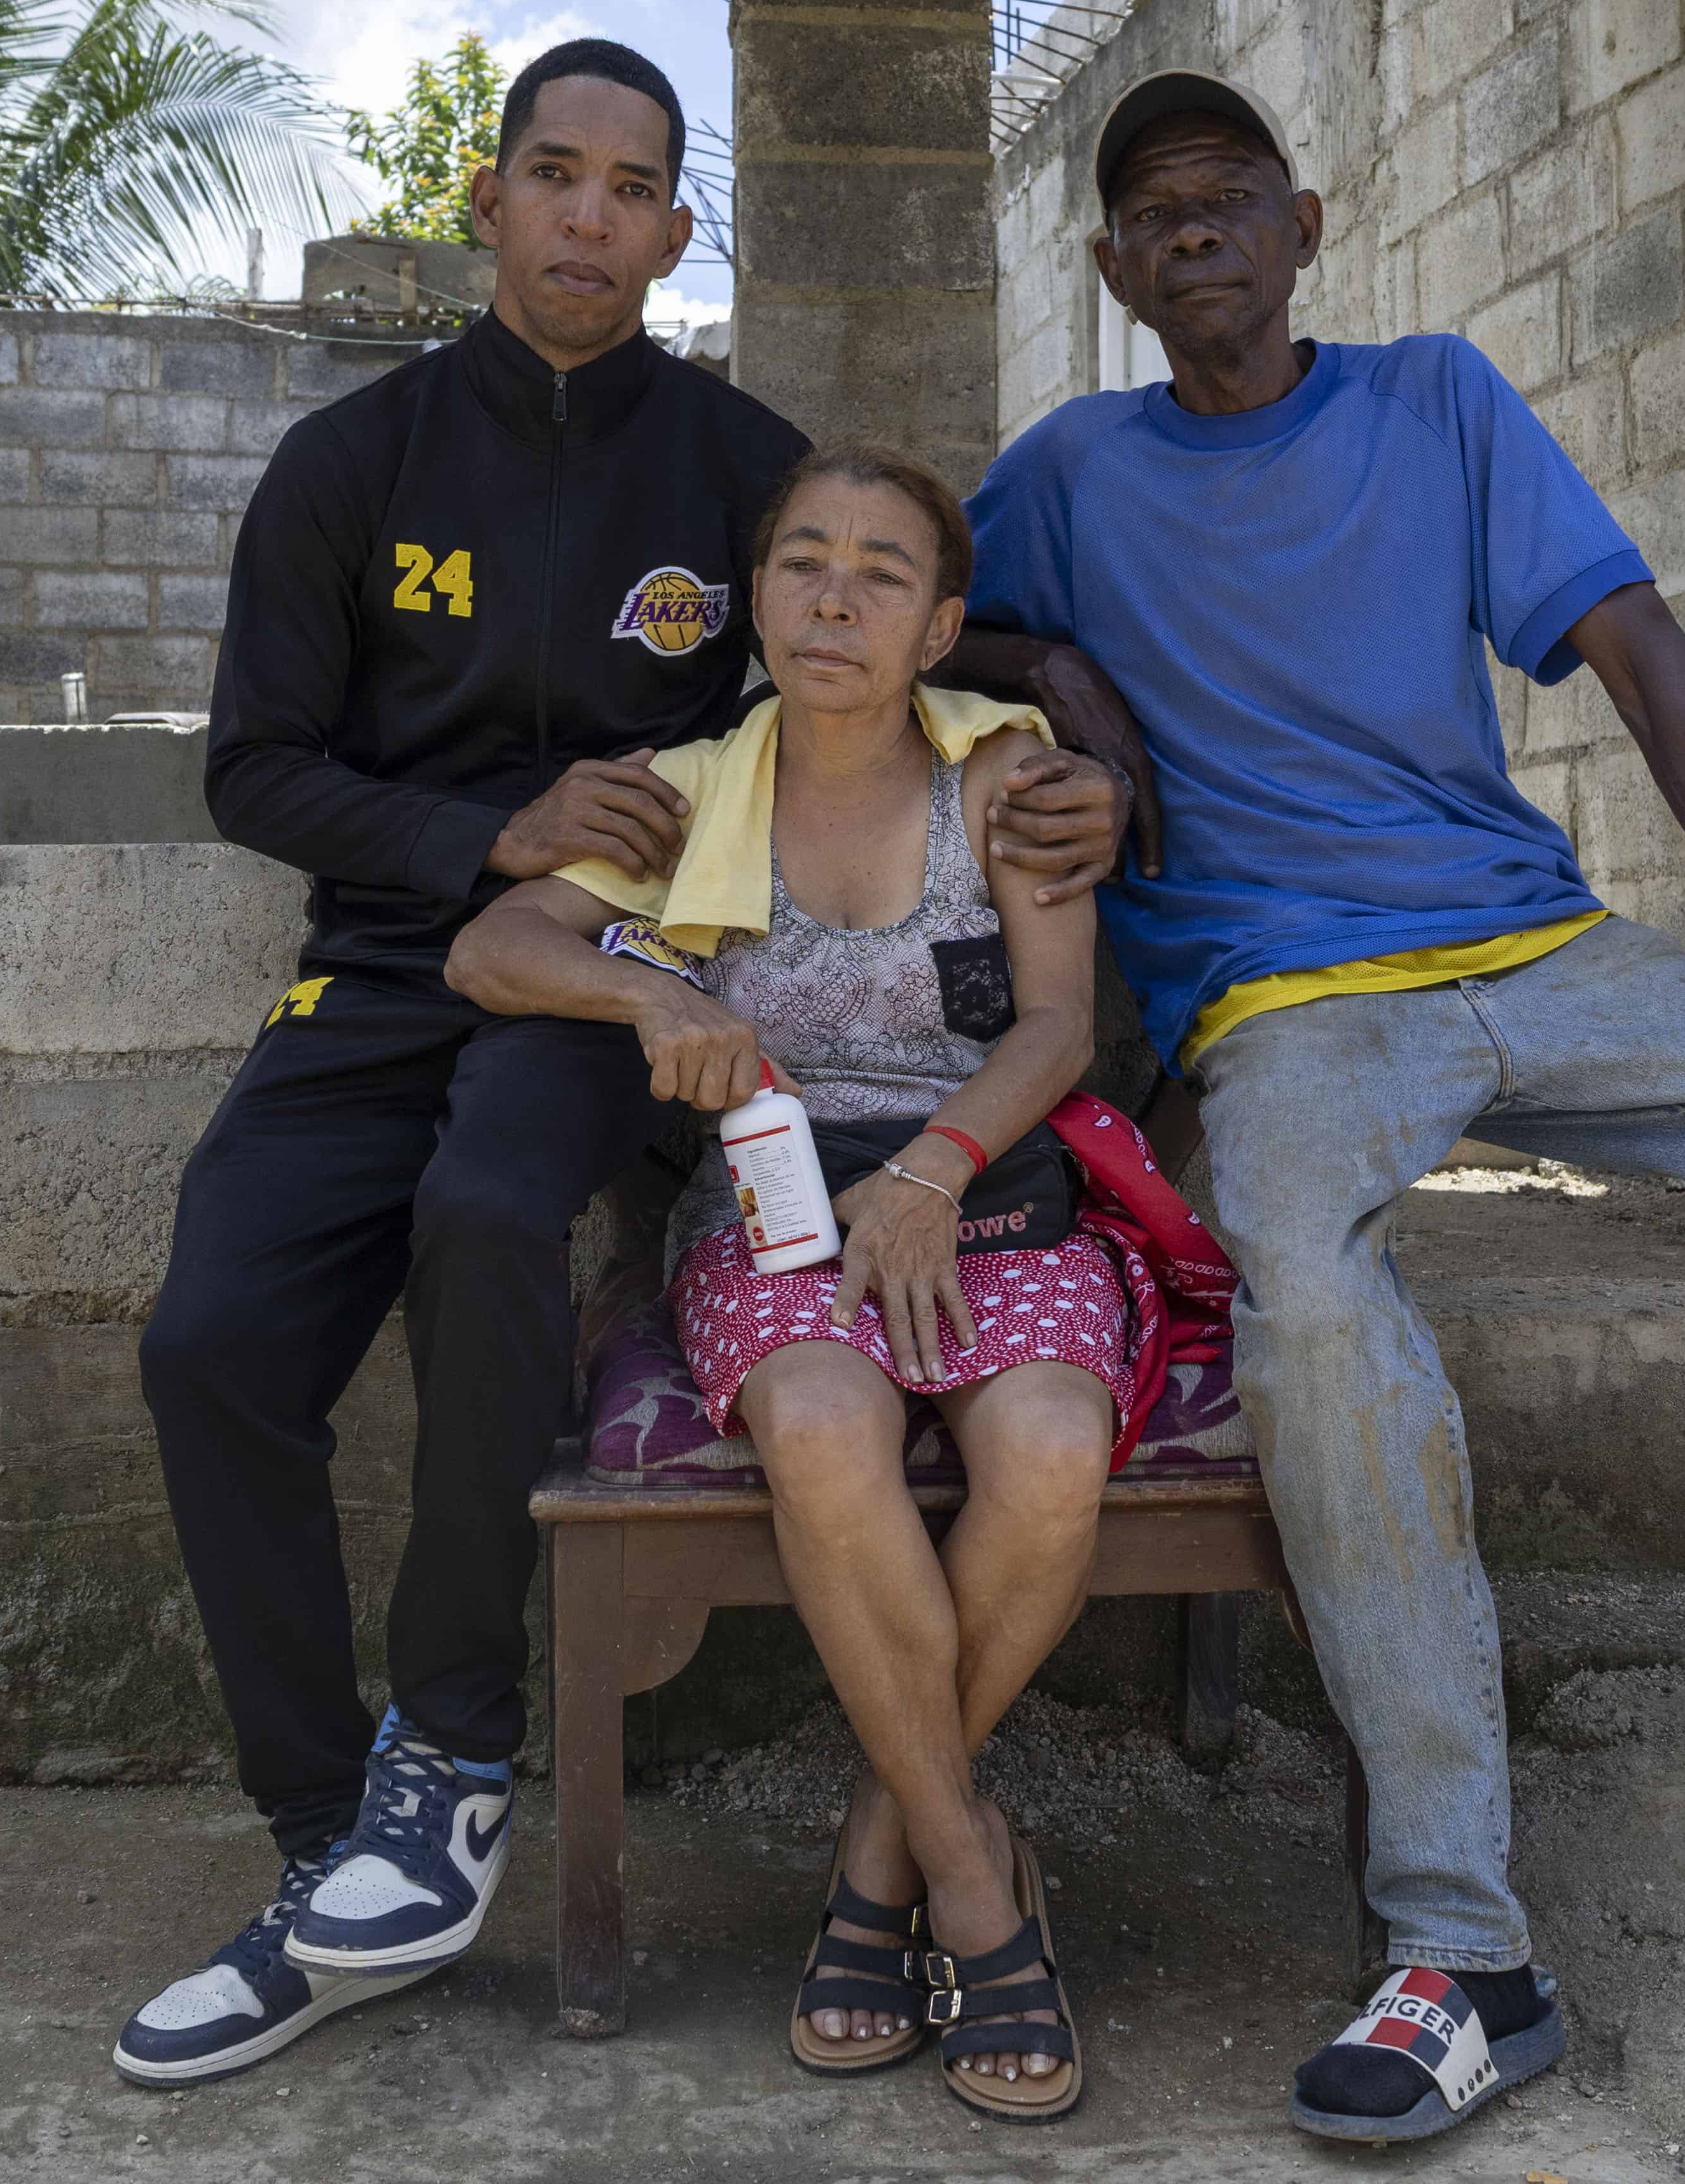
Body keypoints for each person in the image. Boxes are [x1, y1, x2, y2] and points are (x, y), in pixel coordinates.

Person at [957, 71, 1685, 2146]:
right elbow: (898, 603)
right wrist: (1053, 665)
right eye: (1156, 213)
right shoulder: (1066, 472)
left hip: (1536, 953)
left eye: (1234, 199)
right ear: (1112, 268)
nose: (1199, 234)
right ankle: (1462, 1946)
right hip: (1288, 1004)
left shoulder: (1432, 404)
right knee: (1310, 1299)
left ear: (1307, 225)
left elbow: (1639, 647)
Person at [112, 43, 1128, 2091]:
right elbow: (253, 766)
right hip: (404, 958)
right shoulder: (353, 465)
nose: (588, 214)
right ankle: (338, 1831)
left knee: (492, 1220)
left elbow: (927, 618)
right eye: (551, 174)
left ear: (675, 231)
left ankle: (459, 1739)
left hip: (626, 975)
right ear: (489, 200)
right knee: (209, 1341)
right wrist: (474, 836)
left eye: (632, 186)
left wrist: (1100, 768)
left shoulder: (735, 460)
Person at [450, 443, 1131, 2123]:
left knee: (1048, 1451)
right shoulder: (689, 791)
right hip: (771, 1216)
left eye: (883, 573)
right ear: (753, 599)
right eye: (802, 563)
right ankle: (980, 1893)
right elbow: (493, 945)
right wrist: (651, 1001)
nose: (836, 598)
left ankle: (888, 1849)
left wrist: (933, 1170)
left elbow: (1057, 1026)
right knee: (821, 1421)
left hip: (987, 1189)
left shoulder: (1009, 775)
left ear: (941, 622)